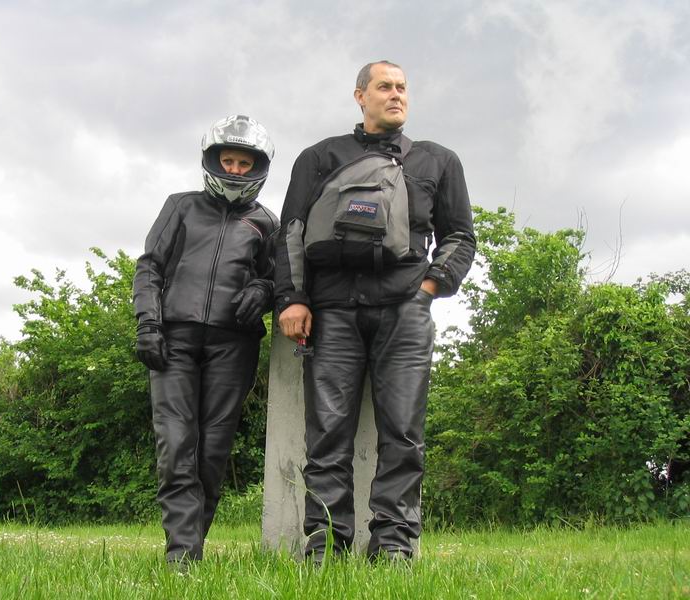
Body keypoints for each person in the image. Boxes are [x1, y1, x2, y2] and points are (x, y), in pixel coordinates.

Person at [274, 61, 476, 561]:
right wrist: (293, 297)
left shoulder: (438, 160)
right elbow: (291, 231)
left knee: (404, 433)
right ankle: (325, 546)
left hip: (405, 312)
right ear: (360, 96)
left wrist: (428, 289)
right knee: (327, 435)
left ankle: (393, 546)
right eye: (384, 86)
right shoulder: (319, 157)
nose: (396, 95)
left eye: (402, 87)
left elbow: (459, 236)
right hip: (333, 313)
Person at [132, 114, 279, 566]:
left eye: (244, 163)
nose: (235, 169)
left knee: (212, 451)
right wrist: (148, 324)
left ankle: (190, 550)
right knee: (176, 443)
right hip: (173, 340)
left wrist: (263, 290)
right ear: (213, 160)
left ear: (258, 167)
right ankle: (181, 556)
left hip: (234, 346)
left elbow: (279, 277)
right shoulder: (180, 206)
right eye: (228, 160)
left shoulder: (266, 222)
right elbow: (149, 266)